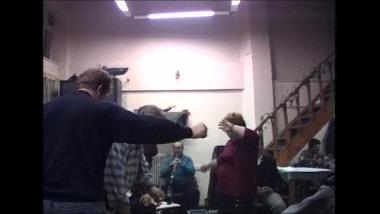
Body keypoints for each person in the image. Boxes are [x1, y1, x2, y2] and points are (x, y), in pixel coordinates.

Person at [43, 68, 207, 214]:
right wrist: (190, 131)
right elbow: (146, 126)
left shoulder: (48, 108)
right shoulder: (102, 110)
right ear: (100, 89)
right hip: (81, 203)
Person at [104, 105, 167, 214]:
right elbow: (116, 175)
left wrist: (151, 187)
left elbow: (142, 166)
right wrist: (123, 204)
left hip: (120, 196)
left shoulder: (138, 139)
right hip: (105, 199)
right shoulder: (122, 137)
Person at [200, 113, 259, 214]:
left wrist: (232, 126)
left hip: (239, 198)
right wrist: (208, 165)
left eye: (228, 128)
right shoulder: (230, 143)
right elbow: (221, 160)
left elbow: (253, 135)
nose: (226, 131)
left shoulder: (248, 142)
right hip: (224, 195)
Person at [160, 142, 200, 209]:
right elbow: (162, 174)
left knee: (195, 192)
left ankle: (189, 210)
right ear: (173, 149)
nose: (176, 150)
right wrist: (170, 167)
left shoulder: (187, 159)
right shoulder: (168, 160)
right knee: (163, 194)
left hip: (185, 185)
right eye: (175, 148)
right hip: (171, 186)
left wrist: (181, 164)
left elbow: (192, 172)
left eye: (179, 148)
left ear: (182, 149)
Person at [257, 142, 287, 214]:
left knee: (280, 205)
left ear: (262, 148)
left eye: (258, 146)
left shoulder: (270, 161)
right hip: (250, 193)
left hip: (269, 192)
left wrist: (271, 189)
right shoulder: (244, 161)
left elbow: (278, 179)